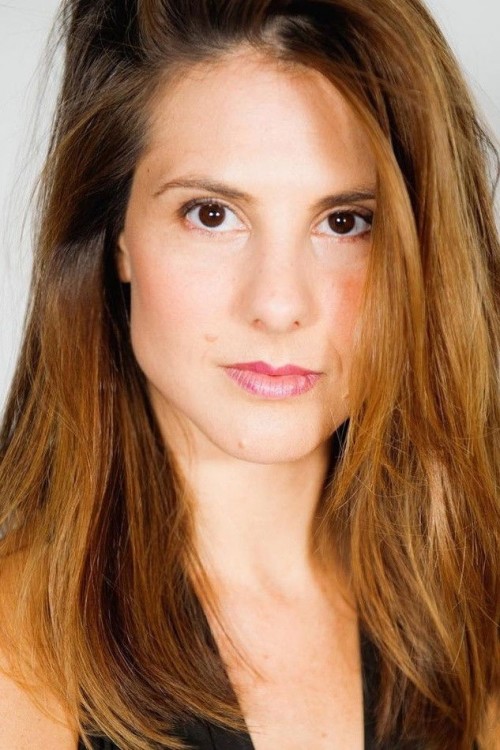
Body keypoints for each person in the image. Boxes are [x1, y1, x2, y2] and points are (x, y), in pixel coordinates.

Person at [0, 0, 498, 748]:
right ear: (117, 234)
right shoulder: (17, 650)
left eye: (344, 223)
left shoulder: (473, 613)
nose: (278, 305)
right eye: (211, 214)